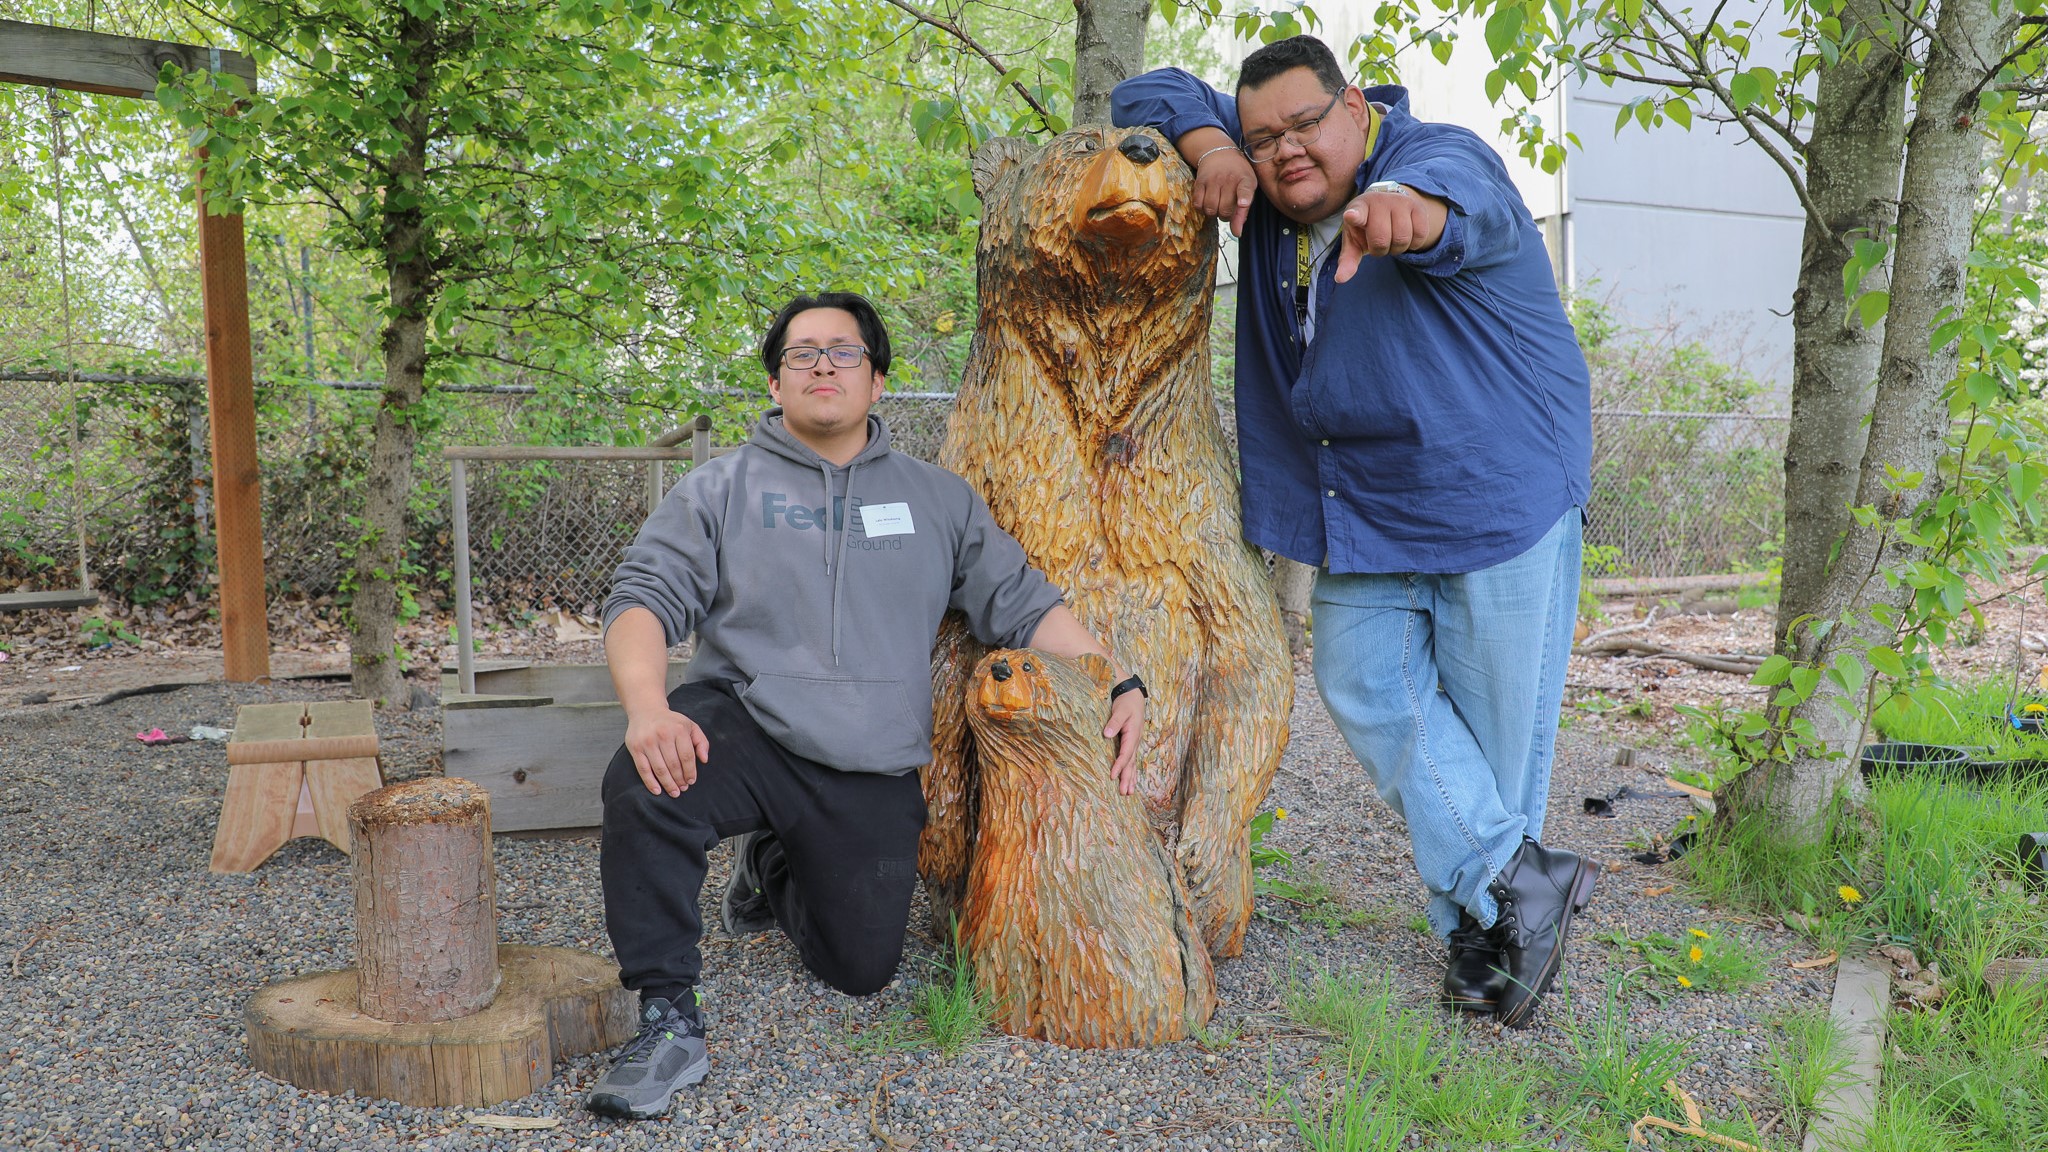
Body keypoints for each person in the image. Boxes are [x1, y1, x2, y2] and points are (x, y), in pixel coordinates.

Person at [1113, 36, 1594, 1028]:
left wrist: (1407, 217)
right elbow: (1146, 89)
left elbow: (1460, 198)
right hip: (1364, 510)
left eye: (1303, 126)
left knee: (1499, 747)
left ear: (1355, 107)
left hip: (1492, 499)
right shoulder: (1262, 169)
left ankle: (1485, 931)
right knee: (1363, 680)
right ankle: (1515, 879)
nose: (1285, 149)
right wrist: (1210, 146)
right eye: (1263, 136)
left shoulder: (1431, 155)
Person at [584, 291, 1147, 1119]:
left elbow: (1025, 604)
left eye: (843, 352)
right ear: (776, 384)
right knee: (645, 785)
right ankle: (669, 1016)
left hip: (871, 751)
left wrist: (1119, 679)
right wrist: (646, 707)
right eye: (801, 353)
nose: (821, 365)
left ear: (877, 380)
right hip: (746, 716)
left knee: (862, 968)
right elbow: (641, 598)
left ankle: (768, 865)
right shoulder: (720, 488)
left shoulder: (938, 500)